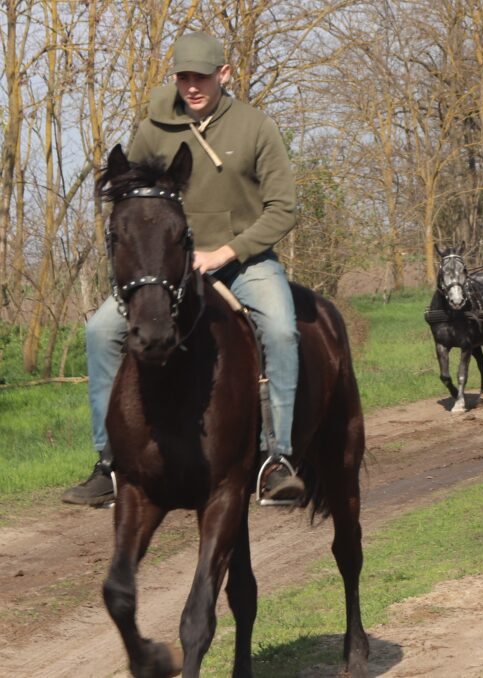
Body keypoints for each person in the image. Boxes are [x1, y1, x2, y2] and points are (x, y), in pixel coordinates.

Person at [62, 32, 304, 506]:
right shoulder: (153, 129)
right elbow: (133, 203)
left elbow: (283, 209)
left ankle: (277, 459)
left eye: (202, 76)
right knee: (100, 332)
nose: (192, 86)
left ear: (224, 74)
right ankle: (109, 463)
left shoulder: (256, 127)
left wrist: (226, 252)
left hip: (241, 262)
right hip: (167, 270)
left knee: (280, 331)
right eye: (183, 77)